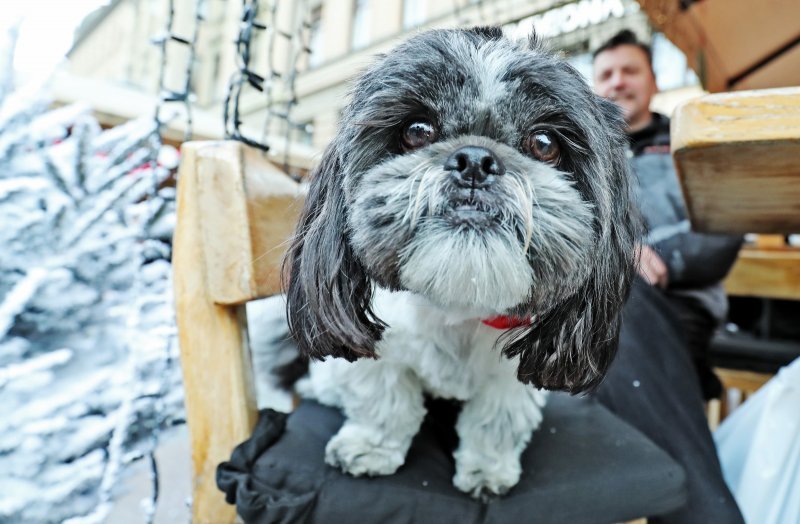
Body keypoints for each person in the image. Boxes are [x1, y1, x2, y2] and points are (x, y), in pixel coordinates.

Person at [591, 29, 745, 523]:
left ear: (653, 80)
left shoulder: (689, 143)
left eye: (629, 71)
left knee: (619, 305)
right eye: (606, 75)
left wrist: (650, 256)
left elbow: (719, 228)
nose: (618, 83)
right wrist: (615, 254)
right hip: (587, 309)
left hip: (676, 308)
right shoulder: (579, 155)